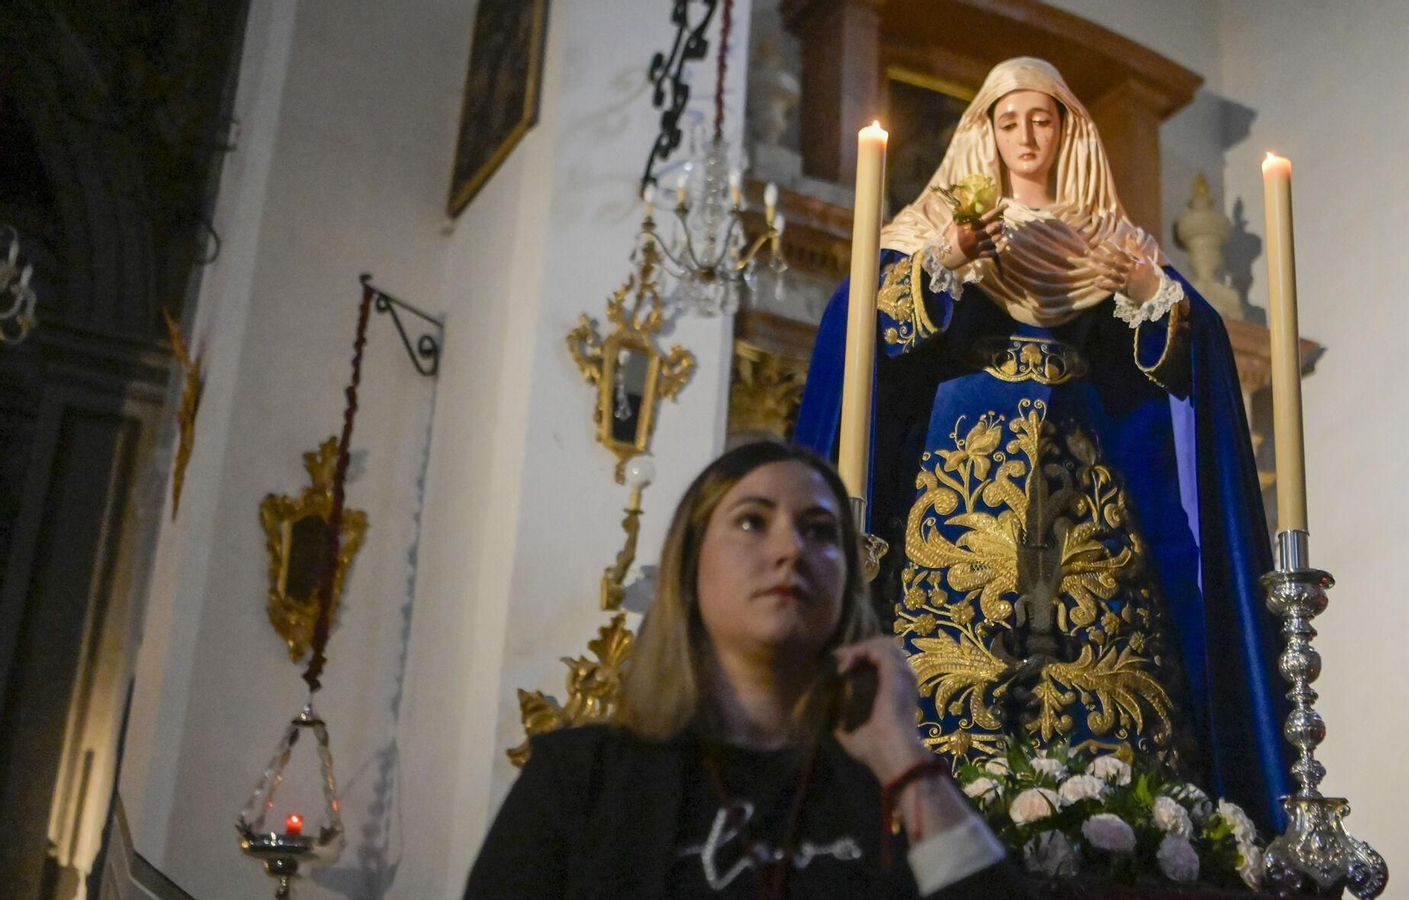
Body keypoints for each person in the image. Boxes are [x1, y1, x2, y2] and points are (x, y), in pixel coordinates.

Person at [796, 57, 1288, 828]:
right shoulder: (932, 232)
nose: (1026, 135)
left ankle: (1134, 829)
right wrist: (951, 261)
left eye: (1042, 118)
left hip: (1084, 486)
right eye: (1009, 120)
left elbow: (1182, 353)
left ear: (1066, 129)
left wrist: (1144, 293)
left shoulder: (1109, 240)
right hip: (959, 488)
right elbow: (867, 329)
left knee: (1107, 672)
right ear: (986, 132)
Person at [463, 441, 1031, 899]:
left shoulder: (888, 786)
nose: (791, 549)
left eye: (819, 530)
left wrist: (902, 755)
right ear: (689, 568)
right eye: (752, 522)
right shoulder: (583, 779)